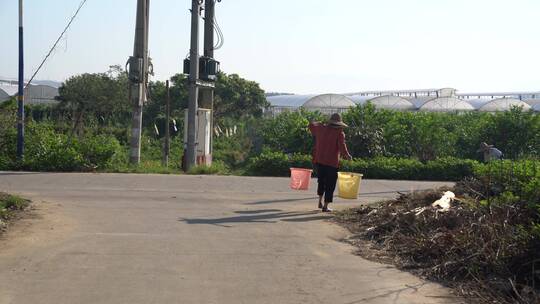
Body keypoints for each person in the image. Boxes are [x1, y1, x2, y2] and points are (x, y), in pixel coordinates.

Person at [309, 113, 352, 212]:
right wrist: (347, 156)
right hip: (332, 163)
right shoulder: (339, 133)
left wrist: (320, 123)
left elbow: (311, 125)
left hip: (319, 160)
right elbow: (342, 147)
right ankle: (325, 206)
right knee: (330, 184)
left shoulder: (320, 128)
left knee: (321, 181)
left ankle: (319, 201)